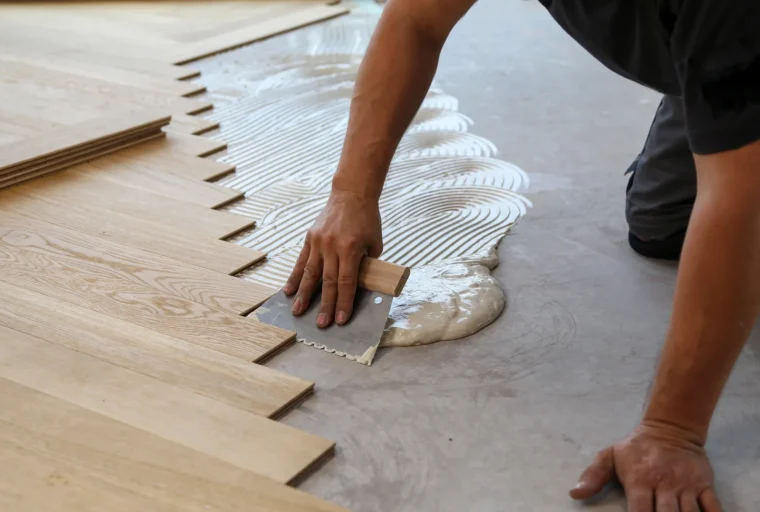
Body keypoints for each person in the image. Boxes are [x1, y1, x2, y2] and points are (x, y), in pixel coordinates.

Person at [283, 1, 760, 510]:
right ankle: (714, 91)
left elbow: (741, 204)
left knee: (735, 194)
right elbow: (415, 21)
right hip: (716, 53)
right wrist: (350, 195)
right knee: (661, 224)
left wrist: (672, 430)